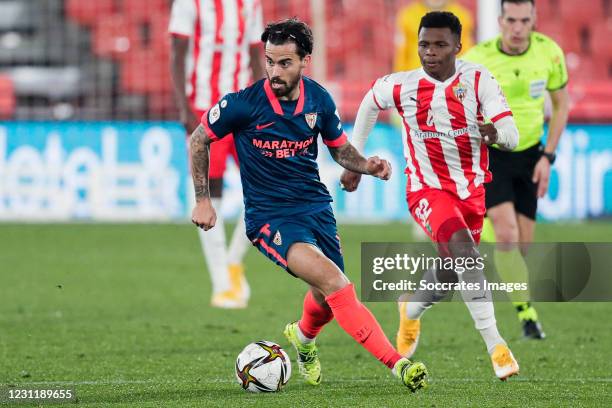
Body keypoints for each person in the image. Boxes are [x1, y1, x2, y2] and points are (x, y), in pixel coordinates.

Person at [190, 18, 428, 391]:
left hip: (316, 208)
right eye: (269, 61)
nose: (274, 71)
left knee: (325, 295)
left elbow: (339, 150)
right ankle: (398, 365)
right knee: (336, 283)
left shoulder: (318, 100)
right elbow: (199, 139)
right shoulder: (243, 104)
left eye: (284, 63)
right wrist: (203, 200)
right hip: (270, 218)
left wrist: (365, 165)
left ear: (305, 62)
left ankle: (302, 338)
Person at [340, 11, 519, 380]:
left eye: (439, 44)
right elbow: (370, 102)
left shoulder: (478, 80)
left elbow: (512, 133)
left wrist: (494, 133)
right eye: (424, 44)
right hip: (425, 189)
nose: (430, 52)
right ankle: (496, 346)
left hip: (470, 193)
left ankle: (411, 309)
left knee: (453, 272)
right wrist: (354, 159)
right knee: (467, 253)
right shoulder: (404, 85)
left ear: (457, 45)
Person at [462, 0, 570, 339]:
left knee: (520, 247)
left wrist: (547, 157)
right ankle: (527, 316)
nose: (518, 28)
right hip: (493, 154)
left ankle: (490, 236)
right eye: (512, 20)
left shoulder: (549, 53)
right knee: (508, 236)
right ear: (500, 21)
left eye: (525, 20)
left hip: (530, 155)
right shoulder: (478, 59)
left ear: (534, 19)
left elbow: (561, 104)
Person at [169, 0, 265, 308]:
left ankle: (233, 261)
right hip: (202, 105)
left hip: (241, 107)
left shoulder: (250, 3)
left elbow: (254, 54)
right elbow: (177, 53)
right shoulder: (190, 3)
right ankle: (222, 283)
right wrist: (183, 108)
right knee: (209, 194)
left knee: (267, 186)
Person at [394, 0, 474, 72]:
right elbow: (402, 53)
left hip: (450, 79)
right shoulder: (408, 15)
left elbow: (466, 52)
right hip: (416, 78)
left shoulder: (462, 16)